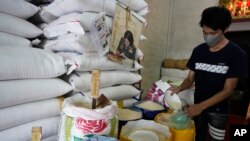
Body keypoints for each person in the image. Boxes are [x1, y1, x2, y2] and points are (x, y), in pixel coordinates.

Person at [169, 6, 248, 141]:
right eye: (205, 33)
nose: (208, 37)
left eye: (213, 33)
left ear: (226, 29)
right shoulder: (198, 51)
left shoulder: (236, 54)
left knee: (215, 139)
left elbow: (228, 90)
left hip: (218, 110)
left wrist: (202, 106)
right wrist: (180, 88)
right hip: (197, 106)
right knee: (198, 136)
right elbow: (190, 79)